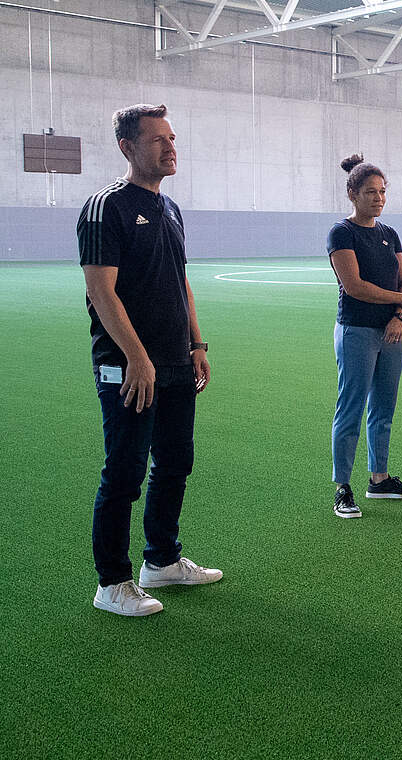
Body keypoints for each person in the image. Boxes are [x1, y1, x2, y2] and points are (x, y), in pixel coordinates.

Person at [78, 103, 222, 617]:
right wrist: (138, 359)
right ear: (128, 147)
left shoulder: (171, 209)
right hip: (129, 368)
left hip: (176, 361)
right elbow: (101, 292)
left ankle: (161, 560)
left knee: (175, 462)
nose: (170, 146)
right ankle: (111, 582)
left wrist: (197, 343)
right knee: (124, 471)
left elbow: (180, 282)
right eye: (157, 138)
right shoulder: (105, 206)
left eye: (172, 137)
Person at [327, 154, 402, 518]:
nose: (379, 198)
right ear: (353, 194)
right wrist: (401, 299)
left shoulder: (389, 234)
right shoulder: (342, 233)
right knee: (350, 409)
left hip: (391, 333)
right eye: (371, 192)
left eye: (383, 192)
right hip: (357, 332)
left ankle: (379, 480)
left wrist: (399, 315)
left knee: (383, 408)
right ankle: (342, 487)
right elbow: (354, 287)